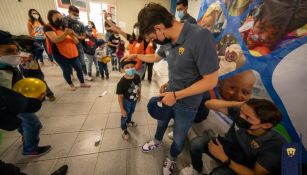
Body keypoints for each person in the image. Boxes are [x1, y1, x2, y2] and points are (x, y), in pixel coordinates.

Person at [116, 3, 219, 174]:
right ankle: (157, 141)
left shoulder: (200, 37)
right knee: (161, 122)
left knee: (179, 136)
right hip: (169, 94)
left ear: (159, 28)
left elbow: (210, 81)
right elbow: (156, 57)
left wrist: (177, 95)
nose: (151, 40)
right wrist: (136, 55)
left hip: (188, 102)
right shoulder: (167, 40)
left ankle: (171, 158)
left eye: (151, 37)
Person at [181, 98, 287, 175]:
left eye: (247, 117)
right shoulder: (242, 113)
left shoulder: (275, 145)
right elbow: (208, 104)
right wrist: (238, 104)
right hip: (227, 146)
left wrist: (225, 159)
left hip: (245, 165)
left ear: (266, 125)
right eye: (241, 112)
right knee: (196, 144)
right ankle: (197, 170)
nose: (240, 117)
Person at [0, 30, 51, 156]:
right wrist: (29, 102)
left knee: (23, 123)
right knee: (34, 124)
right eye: (8, 51)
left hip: (17, 102)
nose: (15, 55)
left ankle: (25, 137)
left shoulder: (6, 66)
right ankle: (30, 149)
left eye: (16, 51)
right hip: (13, 105)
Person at [0, 86, 68, 175]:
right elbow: (10, 123)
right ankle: (30, 149)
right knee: (32, 122)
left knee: (25, 122)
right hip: (13, 102)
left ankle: (27, 142)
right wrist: (31, 102)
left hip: (14, 99)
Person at [44, 10, 91, 91]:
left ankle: (82, 83)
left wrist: (72, 34)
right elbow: (55, 40)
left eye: (60, 17)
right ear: (51, 19)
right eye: (56, 18)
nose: (60, 20)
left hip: (72, 52)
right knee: (66, 70)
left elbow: (76, 41)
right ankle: (71, 84)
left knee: (79, 68)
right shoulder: (48, 27)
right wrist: (65, 34)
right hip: (59, 53)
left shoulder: (65, 26)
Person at [15, 35, 56, 101]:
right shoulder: (18, 45)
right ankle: (40, 96)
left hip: (34, 68)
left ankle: (49, 94)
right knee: (30, 82)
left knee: (41, 81)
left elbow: (40, 49)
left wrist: (33, 57)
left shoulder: (33, 45)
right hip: (24, 68)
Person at [65, 5, 92, 81]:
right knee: (69, 61)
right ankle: (71, 75)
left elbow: (83, 36)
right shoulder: (64, 21)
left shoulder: (80, 24)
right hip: (68, 45)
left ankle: (85, 74)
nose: (76, 16)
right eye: (74, 14)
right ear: (69, 12)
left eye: (77, 15)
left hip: (79, 44)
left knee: (82, 60)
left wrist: (75, 35)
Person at [116, 60, 141, 140]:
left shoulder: (137, 76)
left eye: (132, 67)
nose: (130, 69)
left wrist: (139, 94)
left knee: (131, 112)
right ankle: (124, 128)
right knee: (125, 115)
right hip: (126, 101)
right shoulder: (121, 83)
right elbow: (120, 97)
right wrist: (122, 109)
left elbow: (139, 85)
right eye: (127, 67)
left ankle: (129, 121)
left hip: (134, 100)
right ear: (123, 69)